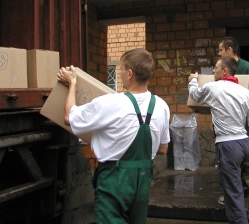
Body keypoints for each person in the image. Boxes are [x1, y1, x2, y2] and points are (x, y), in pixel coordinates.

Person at [57, 48, 170, 224]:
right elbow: (163, 149)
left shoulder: (112, 102)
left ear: (130, 73)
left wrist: (72, 83)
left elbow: (70, 118)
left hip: (114, 181)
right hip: (143, 181)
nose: (121, 73)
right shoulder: (162, 106)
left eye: (122, 69)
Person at [188, 56, 249, 224]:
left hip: (229, 145)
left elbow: (195, 95)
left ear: (225, 71)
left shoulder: (213, 87)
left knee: (232, 189)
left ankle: (239, 220)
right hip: (244, 143)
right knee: (233, 184)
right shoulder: (245, 92)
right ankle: (232, 205)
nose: (213, 71)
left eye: (216, 68)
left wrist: (193, 80)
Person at [218, 37, 249, 198]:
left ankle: (247, 187)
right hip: (233, 119)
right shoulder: (223, 69)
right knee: (241, 155)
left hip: (247, 117)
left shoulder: (246, 67)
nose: (218, 53)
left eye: (220, 50)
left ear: (230, 50)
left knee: (248, 155)